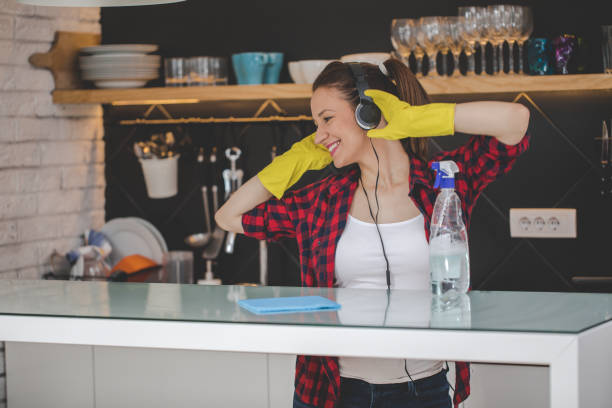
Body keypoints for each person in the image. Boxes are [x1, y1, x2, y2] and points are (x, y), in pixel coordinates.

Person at [215, 59, 530, 408]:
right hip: (332, 393)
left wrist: (415, 119)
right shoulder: (321, 200)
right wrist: (294, 161)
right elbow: (229, 216)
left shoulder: (443, 183)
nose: (318, 135)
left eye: (327, 118)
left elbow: (515, 122)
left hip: (424, 391)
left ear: (368, 111)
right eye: (315, 124)